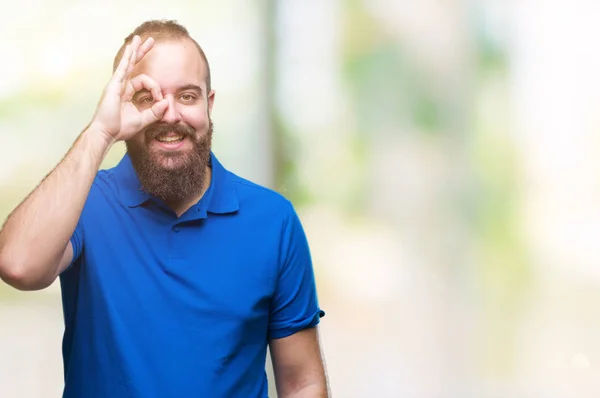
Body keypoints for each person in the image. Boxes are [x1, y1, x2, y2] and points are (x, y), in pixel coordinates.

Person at [0, 20, 328, 397]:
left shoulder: (273, 221)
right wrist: (100, 132)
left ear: (209, 104)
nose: (169, 115)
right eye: (148, 98)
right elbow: (18, 266)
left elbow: (302, 382)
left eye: (187, 96)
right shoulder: (84, 202)